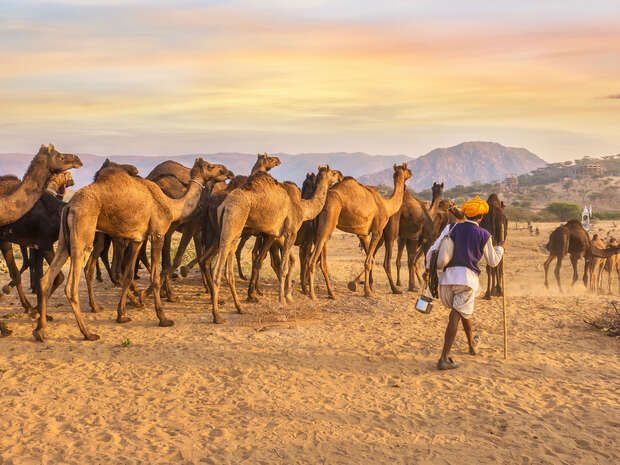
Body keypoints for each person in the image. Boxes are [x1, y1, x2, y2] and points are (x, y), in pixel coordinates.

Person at [426, 196, 505, 370]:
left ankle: (471, 344)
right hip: (466, 280)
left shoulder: (451, 227)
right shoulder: (484, 234)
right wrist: (501, 248)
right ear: (481, 217)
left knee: (462, 311)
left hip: (446, 280)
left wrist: (429, 271)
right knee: (455, 315)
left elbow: (434, 250)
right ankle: (443, 358)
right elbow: (493, 261)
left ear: (467, 214)